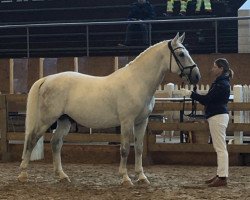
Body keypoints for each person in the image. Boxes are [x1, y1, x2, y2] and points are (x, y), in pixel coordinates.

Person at [181, 58, 234, 187]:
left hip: (218, 116)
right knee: (219, 147)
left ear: (221, 69)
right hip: (217, 116)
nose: (213, 69)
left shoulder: (221, 84)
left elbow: (206, 100)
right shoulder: (220, 82)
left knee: (220, 148)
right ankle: (220, 174)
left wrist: (190, 94)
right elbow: (209, 99)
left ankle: (222, 177)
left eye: (215, 67)